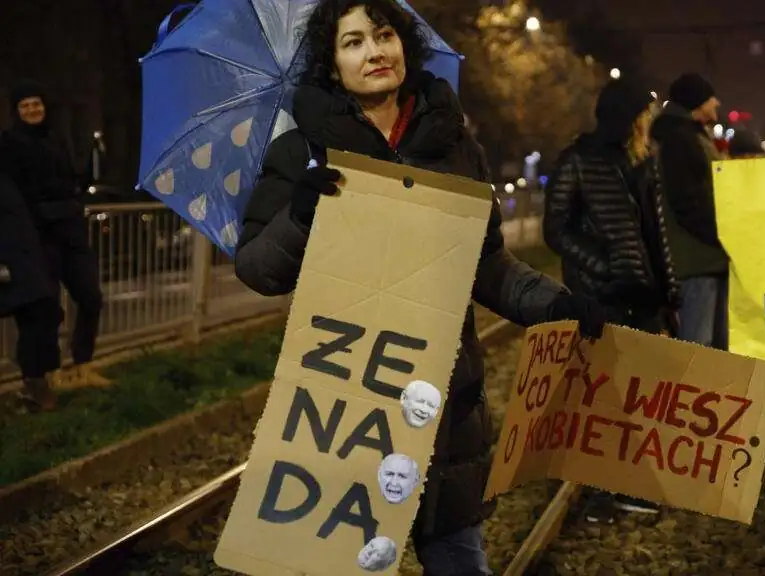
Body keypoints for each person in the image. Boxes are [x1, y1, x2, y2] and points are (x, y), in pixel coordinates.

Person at [233, 1, 606, 573]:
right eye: (353, 42)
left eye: (384, 36)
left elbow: (485, 265)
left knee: (458, 559)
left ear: (404, 44)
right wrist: (300, 215)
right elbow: (259, 269)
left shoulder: (455, 145)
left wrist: (554, 303)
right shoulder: (299, 154)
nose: (374, 52)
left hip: (443, 408)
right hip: (343, 411)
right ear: (332, 66)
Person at [543, 79, 679, 519]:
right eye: (643, 116)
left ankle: (629, 483)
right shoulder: (577, 161)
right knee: (606, 393)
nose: (648, 124)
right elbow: (556, 229)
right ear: (627, 118)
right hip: (600, 296)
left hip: (642, 294)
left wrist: (669, 288)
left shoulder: (643, 163)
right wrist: (601, 267)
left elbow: (657, 235)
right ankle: (605, 494)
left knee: (641, 389)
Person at [0, 79, 108, 389]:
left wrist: (77, 199)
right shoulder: (9, 144)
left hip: (70, 231)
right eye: (25, 105)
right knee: (45, 310)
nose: (32, 110)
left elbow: (71, 179)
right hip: (36, 237)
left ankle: (83, 364)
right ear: (16, 110)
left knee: (90, 296)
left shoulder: (56, 140)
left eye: (37, 104)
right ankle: (49, 374)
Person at [650, 73, 728, 351]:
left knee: (715, 346)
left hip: (709, 257)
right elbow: (688, 202)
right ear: (697, 101)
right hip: (699, 259)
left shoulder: (688, 134)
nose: (716, 102)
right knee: (699, 347)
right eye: (710, 97)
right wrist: (723, 234)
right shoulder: (680, 139)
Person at [0, 171, 61, 411]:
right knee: (38, 314)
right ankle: (36, 386)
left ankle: (37, 386)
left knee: (41, 314)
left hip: (22, 259)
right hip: (15, 261)